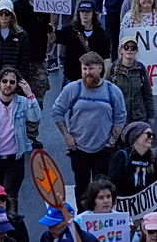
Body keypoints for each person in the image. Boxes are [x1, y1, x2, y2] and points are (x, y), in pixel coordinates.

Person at [52, 52, 127, 210]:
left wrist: (111, 142)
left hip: (103, 148)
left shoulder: (112, 91)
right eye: (84, 69)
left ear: (100, 69)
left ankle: (101, 217)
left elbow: (120, 117)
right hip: (78, 148)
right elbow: (57, 111)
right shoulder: (73, 89)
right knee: (82, 186)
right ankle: (83, 219)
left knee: (102, 188)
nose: (87, 72)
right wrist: (66, 136)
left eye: (90, 69)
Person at [0, 66, 41, 210]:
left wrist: (29, 94)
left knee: (11, 198)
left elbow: (35, 118)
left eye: (12, 82)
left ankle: (12, 230)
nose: (8, 84)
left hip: (15, 159)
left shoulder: (23, 102)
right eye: (4, 81)